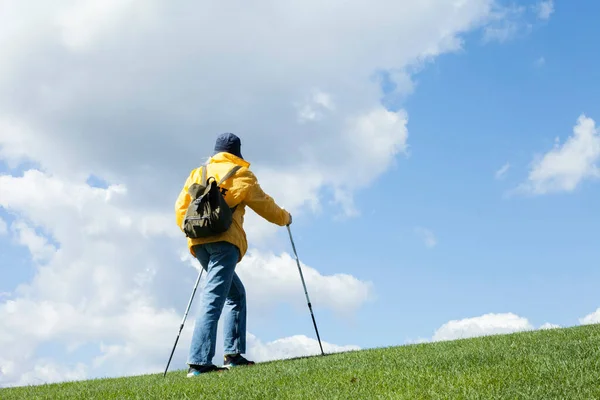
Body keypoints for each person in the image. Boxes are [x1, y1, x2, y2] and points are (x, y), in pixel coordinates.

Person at [174, 132, 292, 377]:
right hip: (225, 242)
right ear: (237, 153)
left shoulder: (199, 173)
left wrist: (197, 231)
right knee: (213, 297)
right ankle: (199, 363)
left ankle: (233, 354)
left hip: (198, 242)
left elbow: (180, 209)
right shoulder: (241, 174)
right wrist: (285, 218)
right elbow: (265, 205)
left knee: (235, 294)